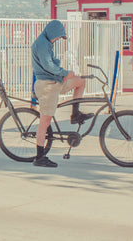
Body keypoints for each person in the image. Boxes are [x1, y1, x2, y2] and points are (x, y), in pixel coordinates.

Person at [31, 19, 88, 169]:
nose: (57, 40)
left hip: (55, 82)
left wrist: (63, 74)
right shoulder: (42, 44)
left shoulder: (47, 42)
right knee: (45, 122)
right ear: (51, 33)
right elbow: (47, 65)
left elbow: (51, 63)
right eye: (57, 37)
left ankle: (75, 114)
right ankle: (39, 157)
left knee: (81, 82)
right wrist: (64, 72)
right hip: (47, 86)